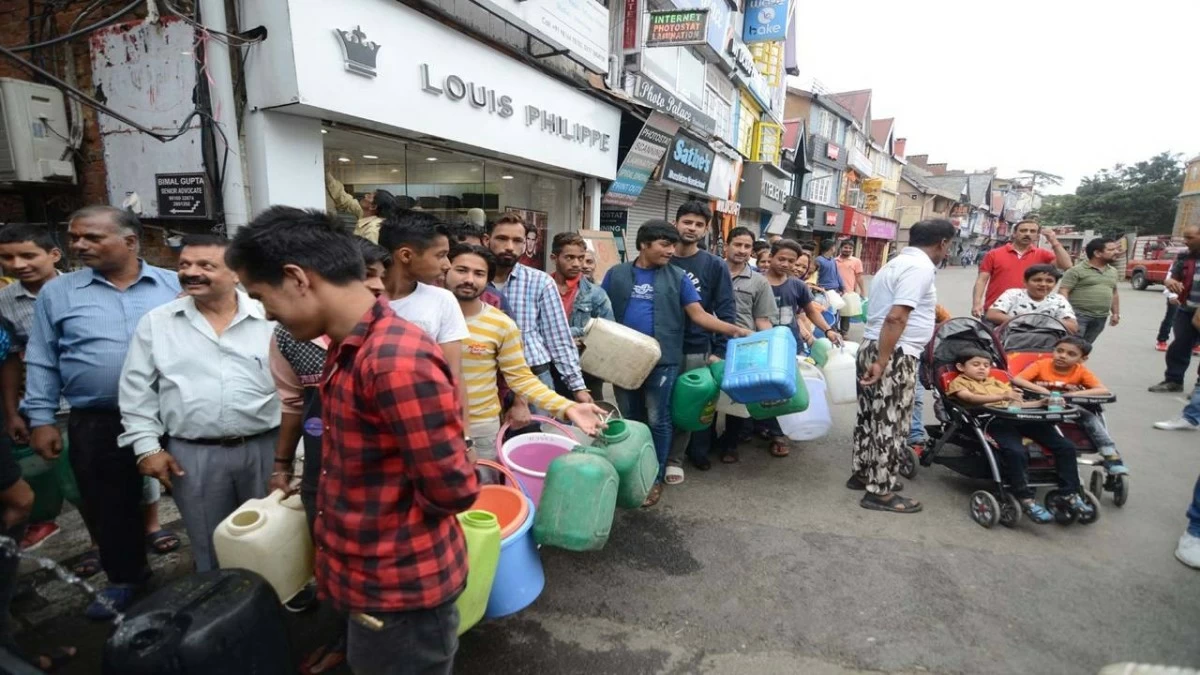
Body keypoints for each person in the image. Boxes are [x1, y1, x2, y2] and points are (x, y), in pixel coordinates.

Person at [228, 206, 479, 675]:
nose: (266, 314)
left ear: (297, 278)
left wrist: (390, 516)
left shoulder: (393, 359)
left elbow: (453, 488)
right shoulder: (349, 348)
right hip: (371, 585)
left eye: (263, 297)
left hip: (399, 591)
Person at [22, 206, 184, 618]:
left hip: (173, 415)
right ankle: (127, 578)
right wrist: (40, 418)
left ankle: (215, 570)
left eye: (91, 237)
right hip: (98, 419)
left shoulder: (174, 285)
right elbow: (42, 356)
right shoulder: (59, 292)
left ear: (130, 242)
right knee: (107, 503)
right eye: (74, 237)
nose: (77, 245)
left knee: (196, 492)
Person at [118, 235, 280, 573]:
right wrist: (147, 448)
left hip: (266, 448)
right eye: (184, 265)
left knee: (273, 534)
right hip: (191, 455)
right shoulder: (158, 322)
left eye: (205, 265)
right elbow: (137, 390)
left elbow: (295, 388)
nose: (191, 272)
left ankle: (275, 603)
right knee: (209, 541)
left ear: (237, 273)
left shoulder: (271, 317)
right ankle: (219, 606)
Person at [265, 237, 388, 672]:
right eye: (369, 278)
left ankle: (379, 639)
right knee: (331, 553)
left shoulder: (392, 343)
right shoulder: (291, 334)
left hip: (380, 481)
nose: (376, 289)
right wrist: (283, 465)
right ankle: (342, 634)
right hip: (322, 465)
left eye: (378, 279)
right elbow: (292, 405)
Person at [601, 221, 748, 507]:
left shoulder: (679, 277)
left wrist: (734, 330)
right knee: (631, 418)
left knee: (659, 419)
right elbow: (601, 309)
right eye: (664, 245)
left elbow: (699, 315)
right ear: (644, 245)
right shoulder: (616, 274)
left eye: (672, 245)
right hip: (622, 359)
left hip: (664, 359)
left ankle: (653, 477)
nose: (671, 250)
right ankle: (632, 471)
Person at [447, 244, 607, 459]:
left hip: (481, 426)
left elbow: (521, 378)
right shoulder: (426, 317)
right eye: (461, 270)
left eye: (479, 273)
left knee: (482, 488)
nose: (469, 279)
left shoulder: (501, 324)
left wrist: (567, 407)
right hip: (427, 423)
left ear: (488, 280)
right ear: (445, 269)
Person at [851, 219, 955, 514]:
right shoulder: (919, 268)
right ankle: (880, 492)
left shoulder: (895, 264)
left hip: (875, 345)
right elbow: (897, 317)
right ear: (942, 243)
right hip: (893, 352)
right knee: (890, 423)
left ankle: (864, 474)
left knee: (869, 418)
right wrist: (883, 361)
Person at [946, 348, 1092, 523]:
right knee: (1016, 451)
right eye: (975, 364)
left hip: (1018, 417)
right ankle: (1025, 497)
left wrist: (1041, 402)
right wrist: (1002, 396)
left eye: (986, 365)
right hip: (992, 421)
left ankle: (1069, 492)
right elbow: (968, 398)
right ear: (961, 367)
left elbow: (1018, 404)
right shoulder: (959, 382)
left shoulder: (997, 381)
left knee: (1066, 446)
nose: (982, 368)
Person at [485, 213, 592, 407]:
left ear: (525, 245)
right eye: (502, 238)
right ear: (487, 240)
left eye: (517, 240)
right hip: (484, 379)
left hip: (534, 377)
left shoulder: (540, 282)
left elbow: (558, 337)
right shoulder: (470, 281)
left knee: (536, 435)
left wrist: (578, 388)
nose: (509, 246)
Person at [378, 211, 471, 432]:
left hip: (425, 423)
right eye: (440, 255)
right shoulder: (361, 299)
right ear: (406, 255)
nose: (448, 264)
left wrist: (465, 436)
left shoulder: (442, 300)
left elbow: (454, 376)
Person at [0, 226, 64, 550]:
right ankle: (45, 520)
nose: (18, 264)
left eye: (28, 255)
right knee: (58, 473)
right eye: (7, 257)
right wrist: (12, 413)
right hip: (44, 404)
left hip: (91, 399)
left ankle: (139, 529)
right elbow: (9, 358)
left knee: (99, 478)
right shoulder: (5, 302)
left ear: (53, 255)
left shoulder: (82, 289)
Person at [666, 200, 737, 479]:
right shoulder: (662, 256)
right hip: (659, 345)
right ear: (676, 223)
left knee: (690, 405)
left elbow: (726, 309)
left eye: (698, 224)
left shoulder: (714, 265)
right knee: (657, 406)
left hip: (696, 347)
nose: (692, 228)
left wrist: (719, 349)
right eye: (687, 222)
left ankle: (680, 458)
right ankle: (657, 456)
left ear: (706, 229)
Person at [761, 240, 843, 458]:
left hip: (790, 345)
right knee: (763, 386)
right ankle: (760, 425)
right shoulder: (757, 282)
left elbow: (811, 311)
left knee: (786, 389)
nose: (786, 264)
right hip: (762, 343)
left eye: (791, 261)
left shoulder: (797, 286)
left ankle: (779, 434)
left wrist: (828, 330)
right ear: (771, 256)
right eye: (781, 259)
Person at [1010, 335, 1127, 475]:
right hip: (1039, 403)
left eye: (1071, 354)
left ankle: (1110, 453)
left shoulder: (1080, 371)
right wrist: (1043, 391)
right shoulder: (1041, 365)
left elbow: (1102, 390)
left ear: (1082, 359)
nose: (1062, 356)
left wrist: (1073, 395)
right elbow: (1018, 379)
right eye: (1059, 351)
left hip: (1068, 405)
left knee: (1090, 418)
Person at [716, 227, 778, 463]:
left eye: (747, 246)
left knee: (736, 397)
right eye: (737, 245)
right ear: (726, 246)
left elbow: (763, 319)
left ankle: (730, 444)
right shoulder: (712, 271)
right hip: (709, 343)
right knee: (707, 396)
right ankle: (704, 443)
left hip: (742, 346)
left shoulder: (759, 282)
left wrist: (769, 349)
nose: (742, 250)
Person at [550, 233, 612, 402]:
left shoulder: (596, 294)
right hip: (548, 368)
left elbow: (608, 334)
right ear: (554, 258)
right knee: (551, 422)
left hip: (585, 370)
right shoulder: (540, 289)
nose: (577, 264)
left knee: (590, 421)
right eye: (569, 257)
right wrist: (575, 334)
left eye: (581, 258)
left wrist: (565, 336)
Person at [972, 219, 1071, 318]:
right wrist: (976, 304)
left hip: (1030, 312)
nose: (1027, 234)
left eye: (1032, 231)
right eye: (1023, 230)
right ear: (1014, 234)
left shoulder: (1043, 255)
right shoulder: (994, 254)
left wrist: (1054, 241)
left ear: (1037, 236)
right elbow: (982, 280)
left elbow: (1066, 265)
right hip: (996, 310)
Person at [1148, 225, 1200, 393]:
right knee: (1179, 346)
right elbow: (1173, 277)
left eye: (1190, 237)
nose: (1186, 241)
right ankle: (1174, 380)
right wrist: (1169, 282)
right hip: (1187, 309)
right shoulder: (1185, 256)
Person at [1059, 237, 1120, 343]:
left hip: (1101, 317)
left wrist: (1116, 313)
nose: (1116, 252)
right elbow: (1063, 292)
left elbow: (1114, 293)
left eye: (1116, 249)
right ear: (1097, 253)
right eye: (1111, 250)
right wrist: (1066, 314)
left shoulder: (1113, 271)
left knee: (1086, 346)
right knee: (1072, 344)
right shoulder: (1076, 271)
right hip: (1078, 316)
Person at [986, 264, 1078, 333]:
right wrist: (1028, 321)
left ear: (1055, 284)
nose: (1043, 284)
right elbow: (992, 314)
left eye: (1049, 281)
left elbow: (1072, 326)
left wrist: (1040, 322)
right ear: (1025, 282)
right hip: (1010, 340)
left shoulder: (1059, 300)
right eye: (1037, 280)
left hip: (1046, 345)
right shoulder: (1013, 294)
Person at [324, 172, 398, 243]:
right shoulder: (366, 214)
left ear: (373, 206)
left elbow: (370, 255)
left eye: (369, 196)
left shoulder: (373, 230)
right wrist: (327, 176)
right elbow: (347, 201)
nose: (365, 195)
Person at [835, 240, 866, 333]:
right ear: (841, 248)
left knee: (846, 313)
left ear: (853, 249)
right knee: (834, 312)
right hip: (835, 291)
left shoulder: (856, 261)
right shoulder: (834, 261)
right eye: (845, 247)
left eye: (850, 248)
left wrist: (863, 291)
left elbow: (859, 277)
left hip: (848, 292)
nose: (847, 250)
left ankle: (844, 332)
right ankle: (834, 331)